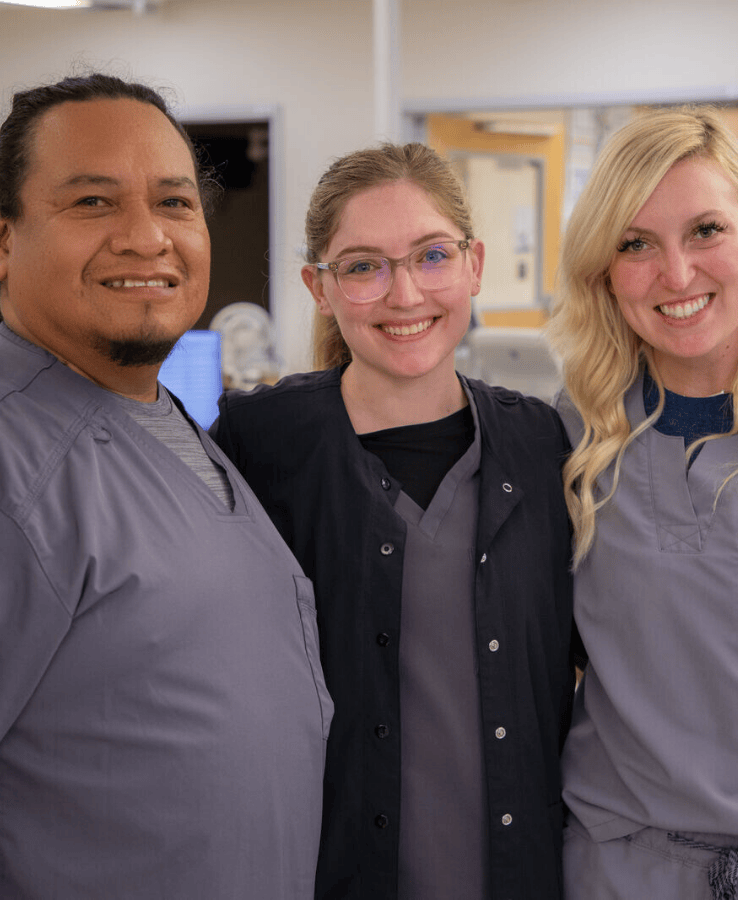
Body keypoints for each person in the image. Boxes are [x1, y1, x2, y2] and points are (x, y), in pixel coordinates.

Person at [0, 73, 332, 900]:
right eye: (93, 203)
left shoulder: (155, 417)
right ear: (0, 239)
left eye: (175, 203)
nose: (147, 237)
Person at [210, 143, 576, 899]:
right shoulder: (259, 446)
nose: (405, 293)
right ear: (320, 286)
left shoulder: (543, 447)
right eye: (364, 266)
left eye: (432, 256)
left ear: (474, 265)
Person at [548, 106, 738, 899]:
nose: (676, 275)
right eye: (635, 244)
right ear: (605, 270)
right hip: (618, 868)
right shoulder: (565, 444)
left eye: (705, 230)